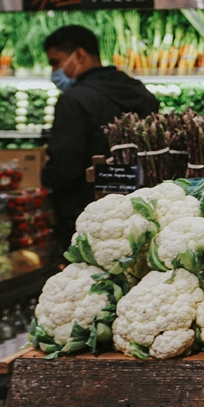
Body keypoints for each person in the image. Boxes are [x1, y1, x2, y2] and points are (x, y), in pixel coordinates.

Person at [41, 25, 160, 248]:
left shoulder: (74, 100)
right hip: (143, 208)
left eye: (56, 62)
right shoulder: (140, 92)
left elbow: (65, 164)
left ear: (79, 55)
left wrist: (47, 178)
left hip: (88, 214)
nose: (55, 71)